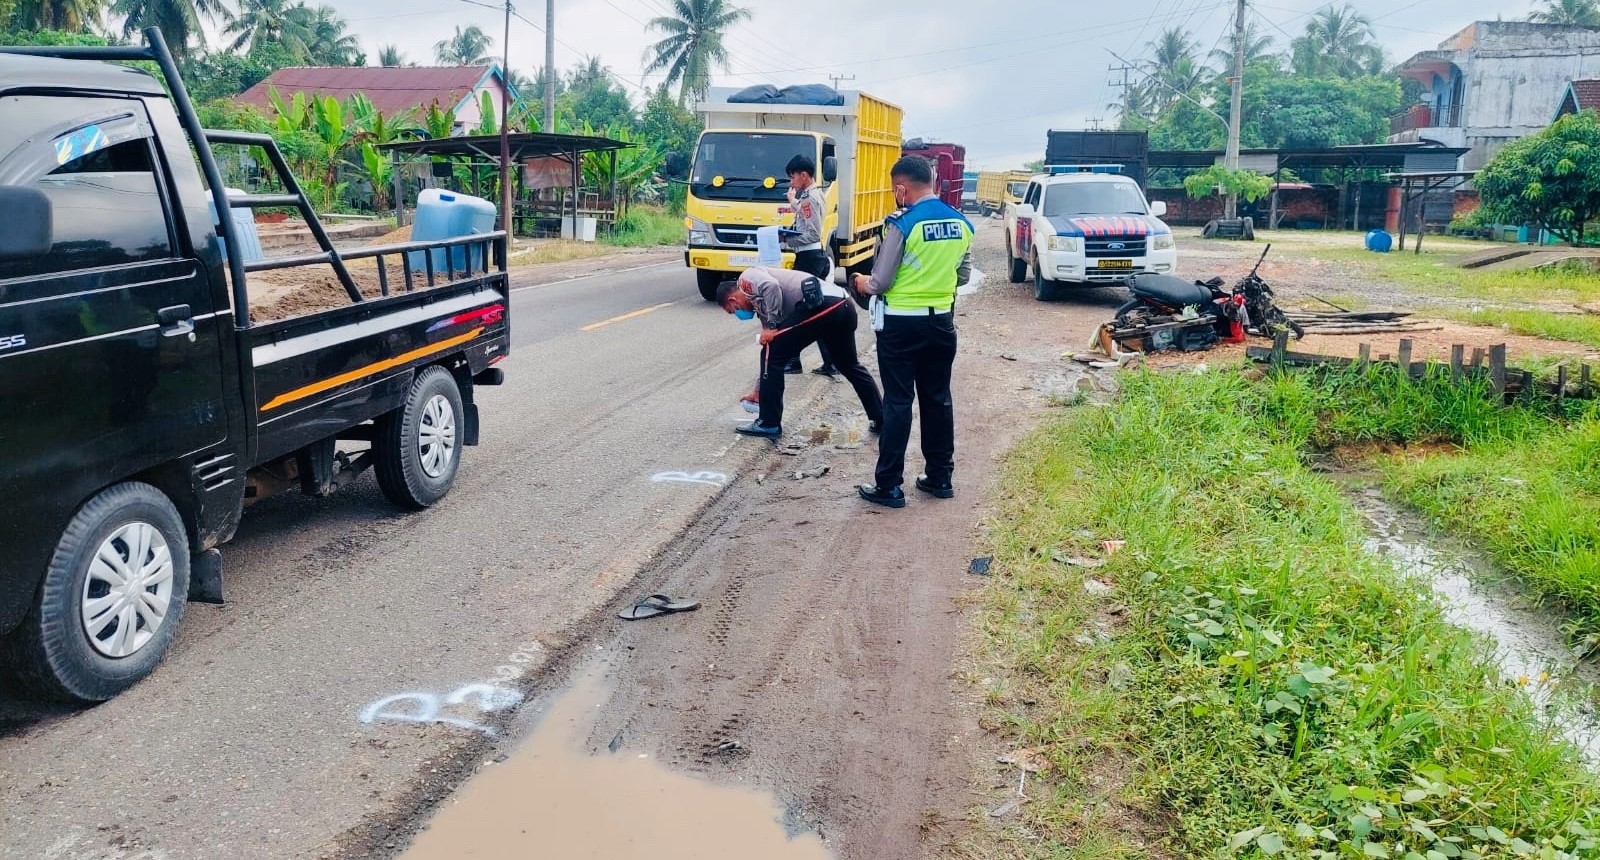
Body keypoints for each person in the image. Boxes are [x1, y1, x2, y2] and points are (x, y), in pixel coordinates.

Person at [851, 155, 973, 509]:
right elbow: (963, 275)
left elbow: (881, 281)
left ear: (901, 188)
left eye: (895, 189)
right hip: (941, 323)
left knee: (898, 402)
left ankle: (889, 485)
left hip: (901, 326)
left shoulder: (903, 224)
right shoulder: (961, 222)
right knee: (938, 399)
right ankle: (940, 477)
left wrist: (860, 281)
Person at [719, 266, 882, 439]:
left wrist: (772, 325)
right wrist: (759, 390)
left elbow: (771, 286)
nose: (738, 313)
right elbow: (770, 345)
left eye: (733, 310)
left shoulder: (746, 279)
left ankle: (769, 423)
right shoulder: (763, 306)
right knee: (848, 365)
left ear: (732, 299)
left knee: (773, 354)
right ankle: (880, 418)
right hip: (843, 304)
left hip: (824, 303)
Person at [784, 154, 838, 377]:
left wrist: (786, 239)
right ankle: (830, 361)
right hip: (809, 258)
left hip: (810, 258)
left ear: (804, 175)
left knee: (799, 309)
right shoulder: (808, 196)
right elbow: (806, 218)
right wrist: (793, 203)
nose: (791, 182)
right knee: (813, 309)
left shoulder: (811, 198)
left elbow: (813, 233)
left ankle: (794, 360)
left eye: (793, 177)